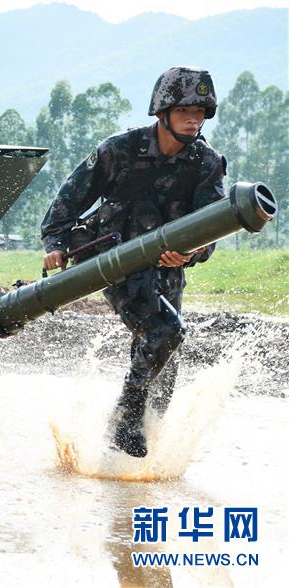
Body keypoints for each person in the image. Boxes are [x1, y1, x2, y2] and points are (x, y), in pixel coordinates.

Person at [40, 66, 225, 458]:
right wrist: (55, 243)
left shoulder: (205, 163)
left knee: (165, 356)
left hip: (168, 265)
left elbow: (213, 223)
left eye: (200, 112)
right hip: (116, 257)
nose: (194, 119)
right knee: (165, 331)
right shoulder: (118, 150)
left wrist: (192, 252)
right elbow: (69, 199)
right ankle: (124, 420)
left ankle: (134, 464)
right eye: (185, 111)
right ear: (163, 113)